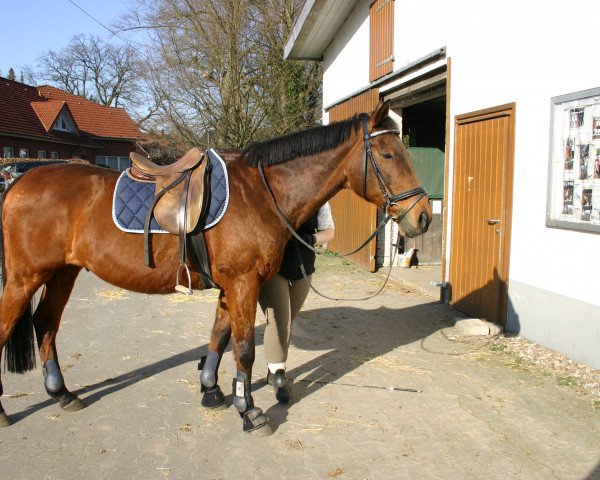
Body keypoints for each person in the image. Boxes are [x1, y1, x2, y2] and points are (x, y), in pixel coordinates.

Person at [258, 202, 335, 403]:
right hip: (275, 268)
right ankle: (278, 375)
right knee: (279, 322)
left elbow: (330, 231)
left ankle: (272, 369)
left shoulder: (321, 200)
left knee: (289, 321)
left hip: (304, 269)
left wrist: (311, 238)